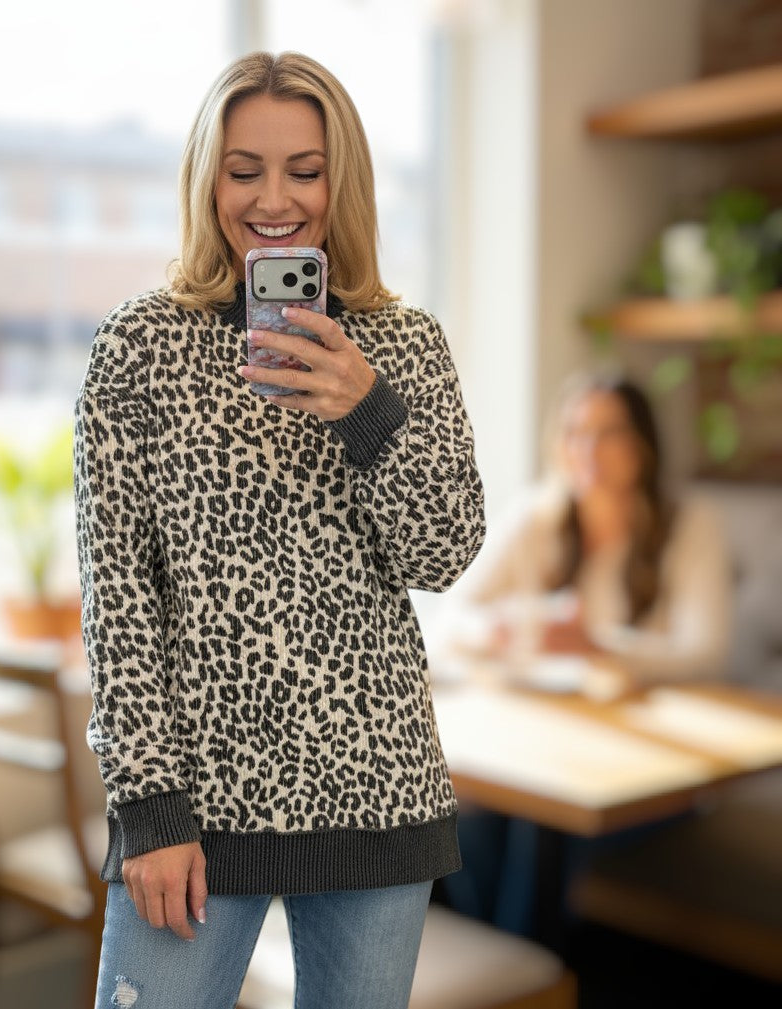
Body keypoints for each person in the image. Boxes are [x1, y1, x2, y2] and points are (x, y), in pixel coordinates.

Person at [72, 51, 486, 1009]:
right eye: (243, 169)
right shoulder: (138, 345)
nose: (273, 199)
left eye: (304, 169)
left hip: (379, 789)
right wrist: (150, 805)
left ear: (343, 181)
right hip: (195, 810)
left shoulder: (405, 345)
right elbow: (119, 598)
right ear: (207, 179)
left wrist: (366, 409)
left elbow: (445, 551)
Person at [430, 369, 733, 934]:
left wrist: (600, 646)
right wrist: (507, 629)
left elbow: (704, 652)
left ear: (643, 444)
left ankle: (525, 967)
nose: (588, 448)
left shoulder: (687, 526)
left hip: (651, 757)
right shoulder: (537, 517)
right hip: (549, 742)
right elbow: (452, 621)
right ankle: (511, 966)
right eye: (575, 431)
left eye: (608, 432)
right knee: (473, 814)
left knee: (535, 821)